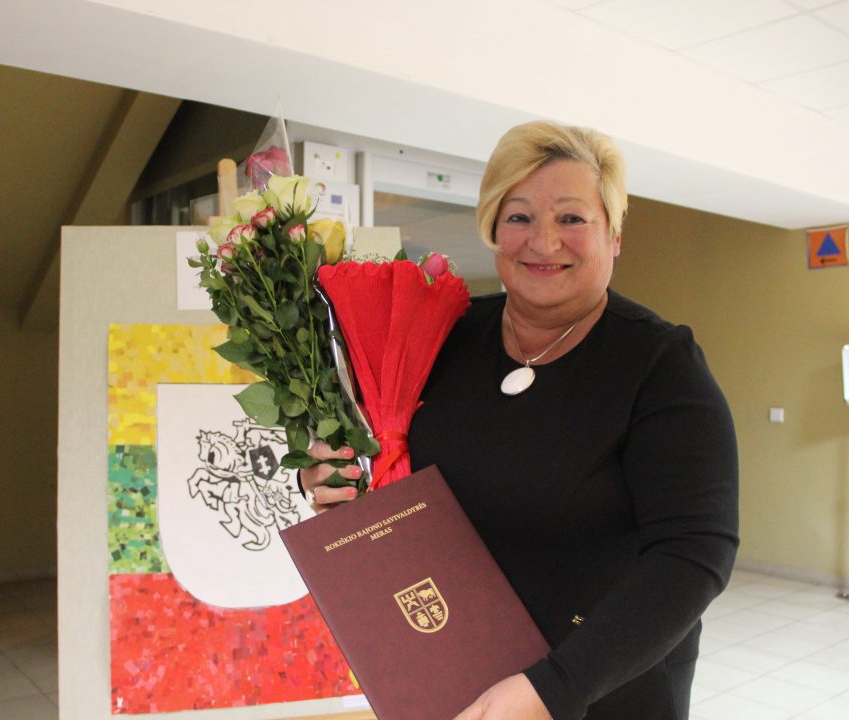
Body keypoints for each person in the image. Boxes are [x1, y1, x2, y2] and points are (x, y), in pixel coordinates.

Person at [301, 121, 739, 720]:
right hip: (452, 675)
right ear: (493, 229)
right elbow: (386, 463)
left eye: (572, 218)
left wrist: (552, 689)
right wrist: (331, 475)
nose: (543, 240)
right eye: (519, 217)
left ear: (613, 235)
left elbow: (694, 553)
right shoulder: (443, 334)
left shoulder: (659, 365)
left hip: (601, 690)